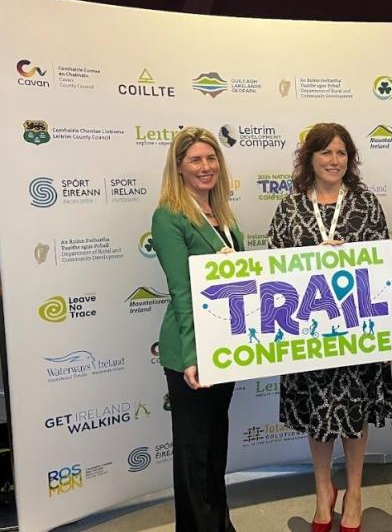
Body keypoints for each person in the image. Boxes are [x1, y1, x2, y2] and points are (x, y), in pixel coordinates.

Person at [267, 123, 392, 532]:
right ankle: (324, 490)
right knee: (316, 414)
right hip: (308, 334)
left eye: (341, 153)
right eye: (325, 153)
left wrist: (350, 259)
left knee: (354, 413)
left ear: (349, 159)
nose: (334, 160)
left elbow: (383, 268)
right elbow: (272, 268)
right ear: (309, 159)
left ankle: (354, 492)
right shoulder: (289, 209)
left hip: (354, 332)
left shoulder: (366, 205)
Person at [152, 126, 244, 532]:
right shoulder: (170, 215)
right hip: (191, 352)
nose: (206, 167)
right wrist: (192, 356)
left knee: (214, 447)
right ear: (179, 167)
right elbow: (181, 289)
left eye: (211, 159)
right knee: (193, 452)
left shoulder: (221, 213)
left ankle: (219, 525)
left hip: (223, 346)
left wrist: (317, 258)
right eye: (196, 160)